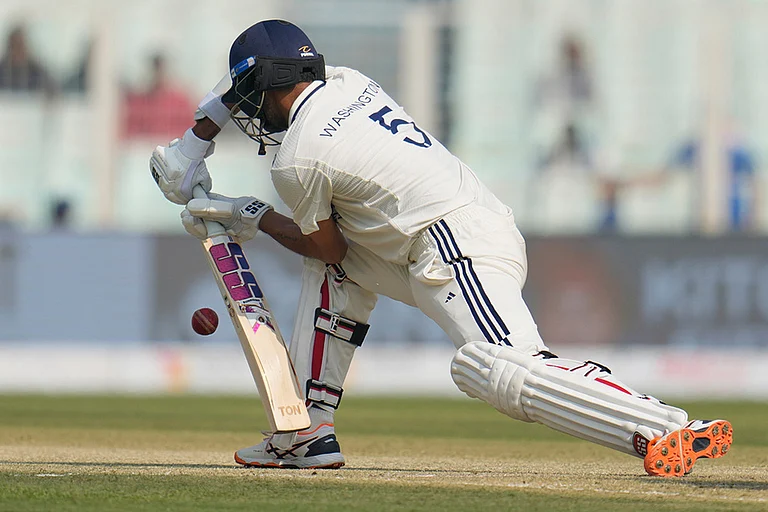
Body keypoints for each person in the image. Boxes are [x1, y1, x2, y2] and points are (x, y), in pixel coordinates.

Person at [149, 20, 732, 477]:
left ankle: (665, 428)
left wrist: (252, 216)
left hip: (455, 245)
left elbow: (324, 244)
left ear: (269, 85)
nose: (246, 110)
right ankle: (306, 433)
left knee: (494, 368)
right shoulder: (348, 80)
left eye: (252, 96)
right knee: (343, 276)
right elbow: (244, 86)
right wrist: (188, 149)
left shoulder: (298, 158)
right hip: (431, 237)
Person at [122, 53, 196, 139]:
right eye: (156, 69)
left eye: (161, 69)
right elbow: (130, 135)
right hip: (144, 149)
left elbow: (191, 134)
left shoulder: (181, 102)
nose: (158, 73)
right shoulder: (140, 102)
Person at [0, 24, 55, 95]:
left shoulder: (37, 71)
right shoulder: (2, 70)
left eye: (20, 46)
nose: (18, 51)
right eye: (14, 46)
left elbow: (52, 89)